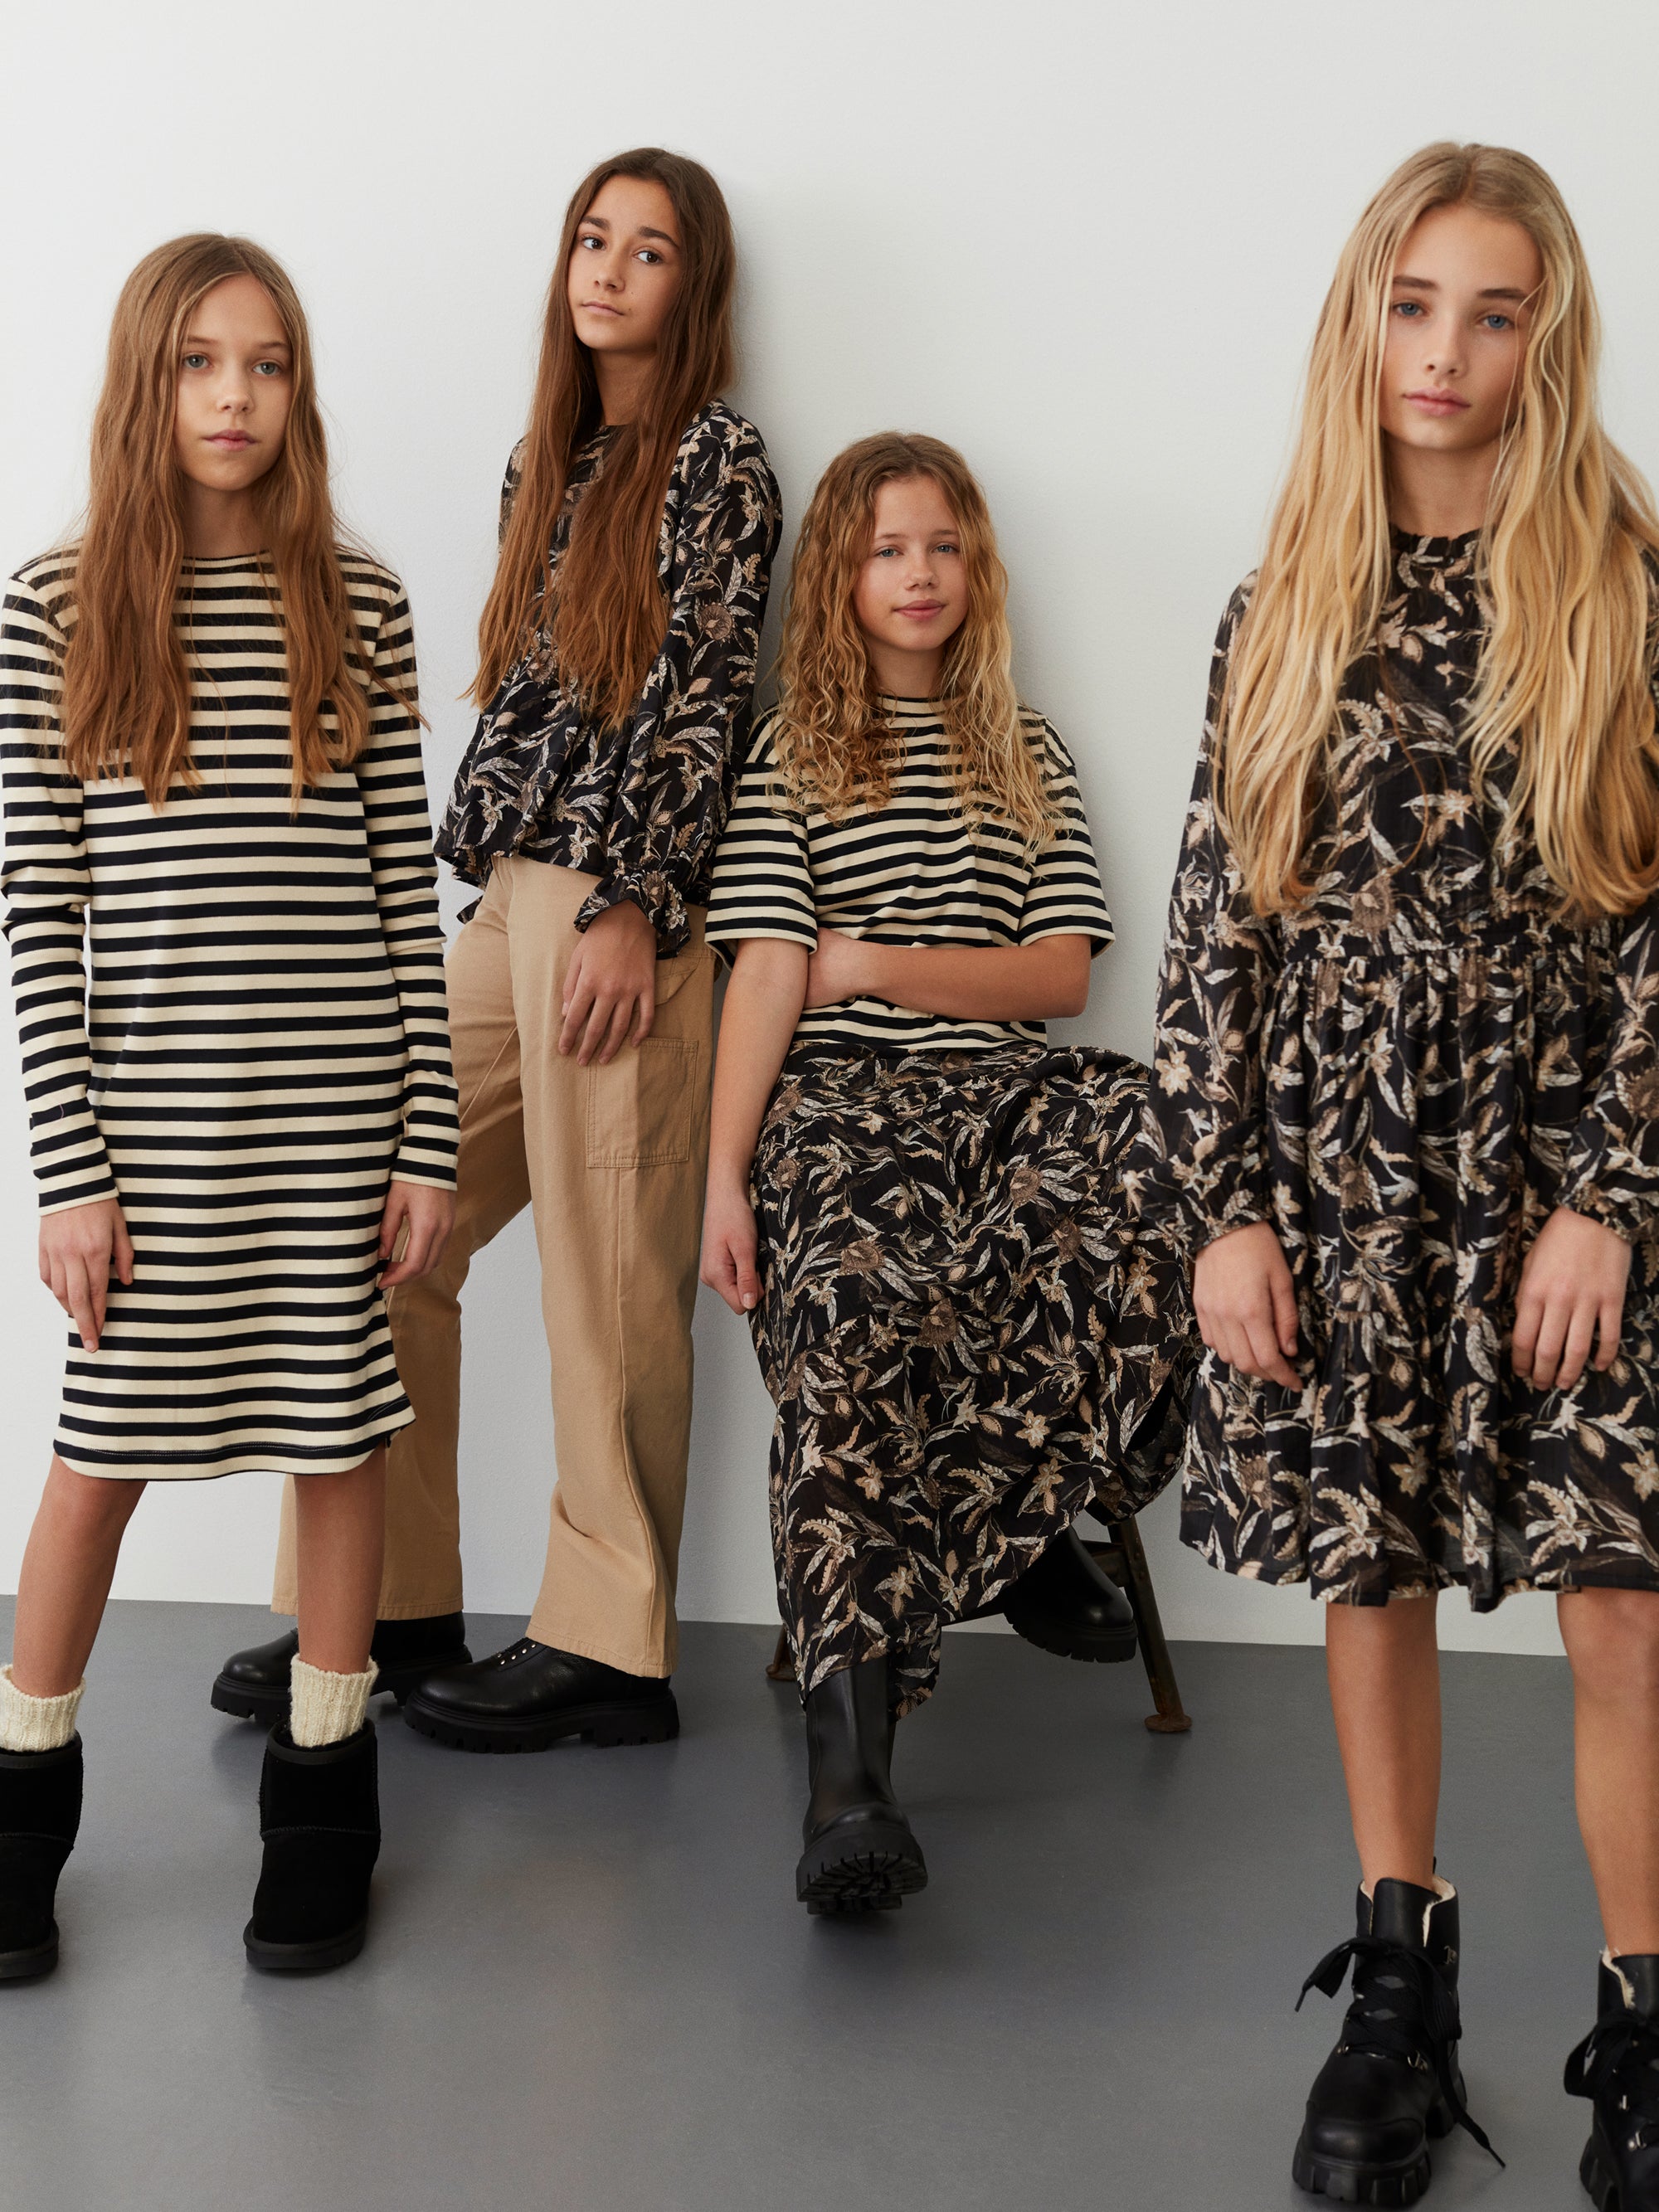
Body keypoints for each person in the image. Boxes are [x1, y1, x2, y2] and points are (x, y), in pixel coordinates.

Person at [1131, 141, 1659, 2208]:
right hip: (1344, 1167)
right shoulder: (1281, 605)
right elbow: (1215, 927)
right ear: (1362, 319)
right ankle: (1399, 1986)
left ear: (1545, 341)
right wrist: (1223, 1205)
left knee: (1619, 1595)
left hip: (1565, 1166)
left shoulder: (1617, 589)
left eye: (1491, 312)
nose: (1442, 350)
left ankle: (1643, 2016)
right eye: (1411, 303)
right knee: (1376, 1568)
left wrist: (1609, 1195)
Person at [214, 148, 781, 1753]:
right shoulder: (548, 455)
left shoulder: (720, 456)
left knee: (609, 1280)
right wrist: (499, 892)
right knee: (390, 1219)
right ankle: (386, 1603)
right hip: (511, 893)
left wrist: (631, 899)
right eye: (593, 238)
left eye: (648, 249)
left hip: (623, 907)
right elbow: (537, 697)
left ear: (694, 284)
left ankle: (610, 1647)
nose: (609, 267)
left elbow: (704, 685)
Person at [0, 235, 457, 1980]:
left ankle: (323, 1800)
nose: (236, 395)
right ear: (148, 379)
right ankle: (20, 1799)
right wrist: (73, 1173)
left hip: (335, 1112)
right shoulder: (55, 608)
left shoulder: (360, 603)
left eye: (267, 363)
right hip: (156, 1130)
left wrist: (425, 1135)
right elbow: (41, 906)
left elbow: (401, 896)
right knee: (98, 1459)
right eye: (201, 361)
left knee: (339, 1440)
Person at [700, 433, 1194, 1913]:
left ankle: (1024, 1505)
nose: (918, 574)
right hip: (843, 1106)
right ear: (839, 580)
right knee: (854, 1321)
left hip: (1009, 1095)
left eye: (942, 546)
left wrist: (872, 961)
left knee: (1171, 1148)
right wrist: (723, 1176)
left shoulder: (1025, 750)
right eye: (885, 550)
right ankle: (850, 1785)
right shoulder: (790, 752)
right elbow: (770, 976)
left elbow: (1058, 977)